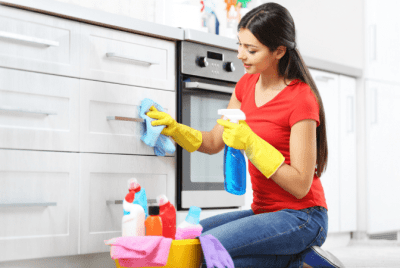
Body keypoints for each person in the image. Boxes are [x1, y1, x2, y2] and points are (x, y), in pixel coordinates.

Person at [147, 2, 345, 267]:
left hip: (303, 216)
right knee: (186, 241)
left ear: (279, 51)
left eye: (251, 49)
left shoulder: (301, 99)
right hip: (263, 211)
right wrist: (174, 128)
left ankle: (297, 257)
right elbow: (213, 142)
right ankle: (298, 262)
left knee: (207, 250)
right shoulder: (245, 85)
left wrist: (252, 144)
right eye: (239, 44)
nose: (241, 55)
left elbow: (300, 185)